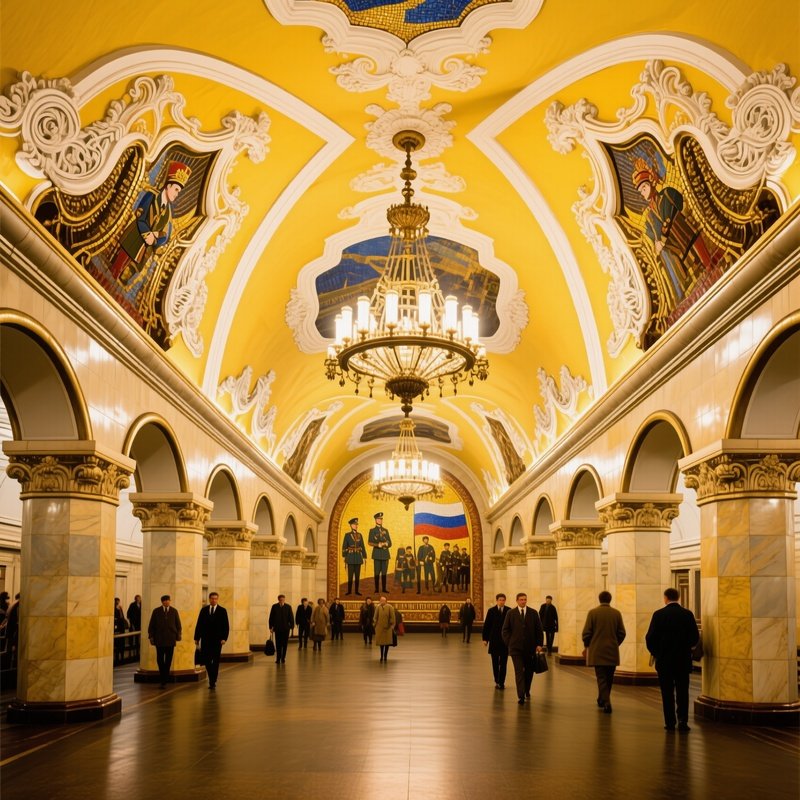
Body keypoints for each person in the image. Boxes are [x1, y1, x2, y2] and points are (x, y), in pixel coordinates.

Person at [110, 160, 191, 283]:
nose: (177, 194)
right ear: (168, 186)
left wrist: (155, 238)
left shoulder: (168, 212)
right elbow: (140, 216)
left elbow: (165, 234)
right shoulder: (151, 195)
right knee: (115, 268)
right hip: (134, 237)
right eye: (176, 189)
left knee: (122, 275)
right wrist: (148, 234)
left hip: (144, 248)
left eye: (179, 191)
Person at [645, 587, 700, 732]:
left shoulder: (659, 614)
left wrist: (657, 652)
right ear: (678, 597)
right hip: (682, 660)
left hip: (664, 661)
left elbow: (650, 638)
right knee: (683, 691)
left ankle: (670, 722)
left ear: (665, 598)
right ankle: (683, 721)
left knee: (667, 692)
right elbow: (695, 637)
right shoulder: (687, 614)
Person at [582, 590, 626, 714]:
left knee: (601, 677)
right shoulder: (616, 613)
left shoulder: (593, 613)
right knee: (609, 677)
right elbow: (622, 633)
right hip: (612, 651)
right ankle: (602, 698)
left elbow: (586, 633)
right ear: (610, 600)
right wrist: (615, 643)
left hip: (597, 651)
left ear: (599, 599)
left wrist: (588, 645)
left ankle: (606, 702)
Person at [501, 592, 544, 705]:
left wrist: (539, 644)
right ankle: (521, 695)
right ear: (517, 601)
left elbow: (539, 630)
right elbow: (505, 630)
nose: (523, 601)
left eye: (525, 599)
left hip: (530, 648)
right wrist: (510, 643)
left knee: (529, 672)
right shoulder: (511, 613)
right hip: (516, 649)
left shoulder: (533, 613)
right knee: (519, 671)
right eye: (521, 599)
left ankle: (526, 689)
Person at [193, 591, 229, 689]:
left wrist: (224, 638)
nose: (214, 600)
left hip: (218, 640)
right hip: (206, 639)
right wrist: (197, 637)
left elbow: (226, 626)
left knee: (215, 660)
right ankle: (211, 678)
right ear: (209, 599)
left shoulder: (222, 611)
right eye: (212, 598)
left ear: (217, 599)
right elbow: (199, 624)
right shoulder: (204, 610)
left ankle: (213, 679)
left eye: (215, 598)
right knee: (207, 660)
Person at [147, 594, 182, 688]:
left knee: (168, 660)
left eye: (168, 600)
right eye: (165, 600)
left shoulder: (174, 611)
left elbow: (178, 625)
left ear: (170, 601)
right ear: (162, 602)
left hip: (170, 639)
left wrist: (178, 634)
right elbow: (151, 625)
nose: (166, 602)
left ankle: (165, 678)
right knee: (160, 659)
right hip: (159, 639)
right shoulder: (156, 611)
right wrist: (151, 636)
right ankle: (163, 676)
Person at [482, 593, 510, 689]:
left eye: (503, 600)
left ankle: (501, 681)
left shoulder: (509, 611)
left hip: (505, 642)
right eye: (500, 600)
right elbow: (487, 626)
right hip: (494, 640)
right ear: (497, 600)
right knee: (495, 662)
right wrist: (485, 639)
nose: (502, 601)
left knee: (503, 662)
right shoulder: (491, 611)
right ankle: (497, 679)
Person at [342, 517, 367, 595]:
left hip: (358, 558)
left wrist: (364, 556)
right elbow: (344, 546)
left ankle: (356, 591)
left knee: (357, 576)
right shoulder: (347, 535)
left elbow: (362, 546)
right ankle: (349, 591)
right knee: (350, 576)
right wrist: (344, 556)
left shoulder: (360, 535)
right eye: (354, 524)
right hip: (350, 557)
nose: (356, 526)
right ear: (351, 525)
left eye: (356, 524)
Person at [368, 512, 392, 593]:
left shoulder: (386, 530)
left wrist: (386, 543)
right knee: (377, 573)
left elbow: (390, 543)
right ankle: (377, 589)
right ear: (375, 520)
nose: (380, 520)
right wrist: (377, 544)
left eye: (381, 519)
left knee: (384, 573)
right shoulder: (372, 530)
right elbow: (369, 542)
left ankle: (384, 589)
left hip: (385, 554)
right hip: (377, 554)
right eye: (378, 519)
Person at [268, 594, 295, 664]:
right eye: (281, 600)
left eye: (283, 599)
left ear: (284, 600)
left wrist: (292, 626)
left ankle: (283, 658)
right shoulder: (274, 607)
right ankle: (278, 658)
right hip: (277, 629)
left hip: (286, 629)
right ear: (278, 600)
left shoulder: (288, 607)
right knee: (278, 644)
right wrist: (271, 627)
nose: (282, 601)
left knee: (285, 644)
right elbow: (271, 618)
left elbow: (291, 617)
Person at [374, 595, 396, 662]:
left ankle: (385, 656)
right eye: (381, 600)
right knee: (381, 643)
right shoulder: (378, 607)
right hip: (380, 628)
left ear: (386, 601)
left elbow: (393, 617)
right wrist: (375, 625)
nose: (382, 601)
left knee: (387, 643)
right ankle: (381, 656)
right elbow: (375, 617)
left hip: (388, 628)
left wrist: (392, 625)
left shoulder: (390, 607)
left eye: (383, 600)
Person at [114, 597, 128, 665]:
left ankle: (122, 657)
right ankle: (117, 658)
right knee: (117, 644)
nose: (118, 603)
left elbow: (122, 617)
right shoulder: (113, 609)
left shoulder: (120, 608)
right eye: (116, 601)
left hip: (122, 628)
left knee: (122, 643)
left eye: (118, 601)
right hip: (117, 628)